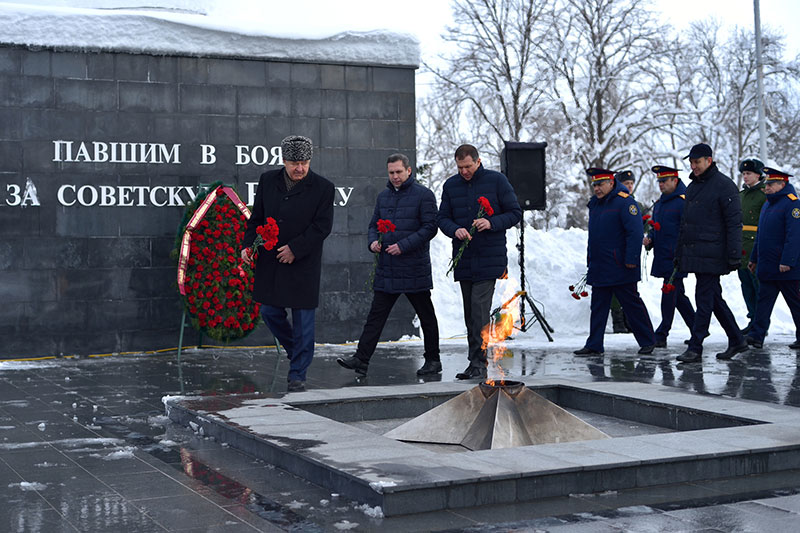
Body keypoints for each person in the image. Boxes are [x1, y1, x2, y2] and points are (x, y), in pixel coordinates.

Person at [241, 135, 335, 392]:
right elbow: (256, 218)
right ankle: (298, 353)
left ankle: (298, 373)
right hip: (271, 261)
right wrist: (248, 245)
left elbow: (322, 226)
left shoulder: (323, 187)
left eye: (304, 163)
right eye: (295, 163)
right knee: (269, 312)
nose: (300, 168)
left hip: (303, 262)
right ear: (284, 160)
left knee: (304, 321)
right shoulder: (268, 180)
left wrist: (296, 248)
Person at [337, 153, 441, 376]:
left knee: (426, 316)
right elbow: (373, 225)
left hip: (414, 267)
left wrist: (403, 246)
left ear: (408, 171)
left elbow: (430, 228)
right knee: (376, 316)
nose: (395, 176)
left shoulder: (424, 195)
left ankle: (433, 360)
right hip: (388, 267)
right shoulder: (383, 196)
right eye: (391, 172)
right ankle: (361, 360)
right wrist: (373, 242)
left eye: (399, 172)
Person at [437, 144, 522, 380]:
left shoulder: (497, 181)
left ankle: (479, 363)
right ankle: (475, 362)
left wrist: (491, 223)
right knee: (470, 313)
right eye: (460, 167)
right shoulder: (451, 185)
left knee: (479, 309)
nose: (464, 171)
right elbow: (442, 218)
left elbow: (515, 213)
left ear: (478, 161)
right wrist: (455, 230)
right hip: (464, 258)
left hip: (489, 257)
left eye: (468, 166)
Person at [675, 143, 747, 363]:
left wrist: (734, 254)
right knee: (713, 298)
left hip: (714, 253)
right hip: (697, 252)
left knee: (704, 299)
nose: (693, 166)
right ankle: (737, 339)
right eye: (691, 162)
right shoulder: (693, 187)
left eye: (697, 162)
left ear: (709, 160)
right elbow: (686, 224)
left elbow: (734, 222)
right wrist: (680, 253)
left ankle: (695, 347)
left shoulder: (724, 185)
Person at [574, 168, 656, 356]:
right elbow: (594, 236)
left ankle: (648, 341)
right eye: (594, 185)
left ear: (611, 183)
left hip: (621, 265)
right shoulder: (595, 204)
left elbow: (635, 232)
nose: (596, 188)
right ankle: (594, 344)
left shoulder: (625, 202)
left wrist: (631, 259)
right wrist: (590, 259)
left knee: (631, 304)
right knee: (598, 306)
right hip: (600, 264)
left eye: (600, 184)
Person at [745, 167, 800, 350]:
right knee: (763, 303)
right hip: (768, 265)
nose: (766, 187)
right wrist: (754, 258)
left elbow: (794, 236)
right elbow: (760, 235)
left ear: (782, 184)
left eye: (771, 184)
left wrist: (788, 261)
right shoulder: (768, 204)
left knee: (795, 304)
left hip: (786, 269)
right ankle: (756, 336)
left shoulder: (792, 204)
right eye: (766, 184)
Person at [643, 165, 695, 348]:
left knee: (669, 293)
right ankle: (697, 327)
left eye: (664, 181)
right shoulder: (660, 203)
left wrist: (684, 253)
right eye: (659, 181)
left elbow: (689, 230)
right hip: (663, 254)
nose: (661, 184)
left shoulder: (683, 201)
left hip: (676, 256)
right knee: (677, 295)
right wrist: (650, 239)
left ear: (675, 180)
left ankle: (662, 333)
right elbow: (657, 226)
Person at [738, 158, 768, 334]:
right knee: (746, 286)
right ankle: (752, 319)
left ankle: (761, 323)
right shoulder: (741, 195)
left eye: (749, 173)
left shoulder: (764, 195)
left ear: (758, 175)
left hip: (757, 247)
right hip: (741, 247)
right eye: (744, 173)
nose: (745, 176)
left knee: (758, 287)